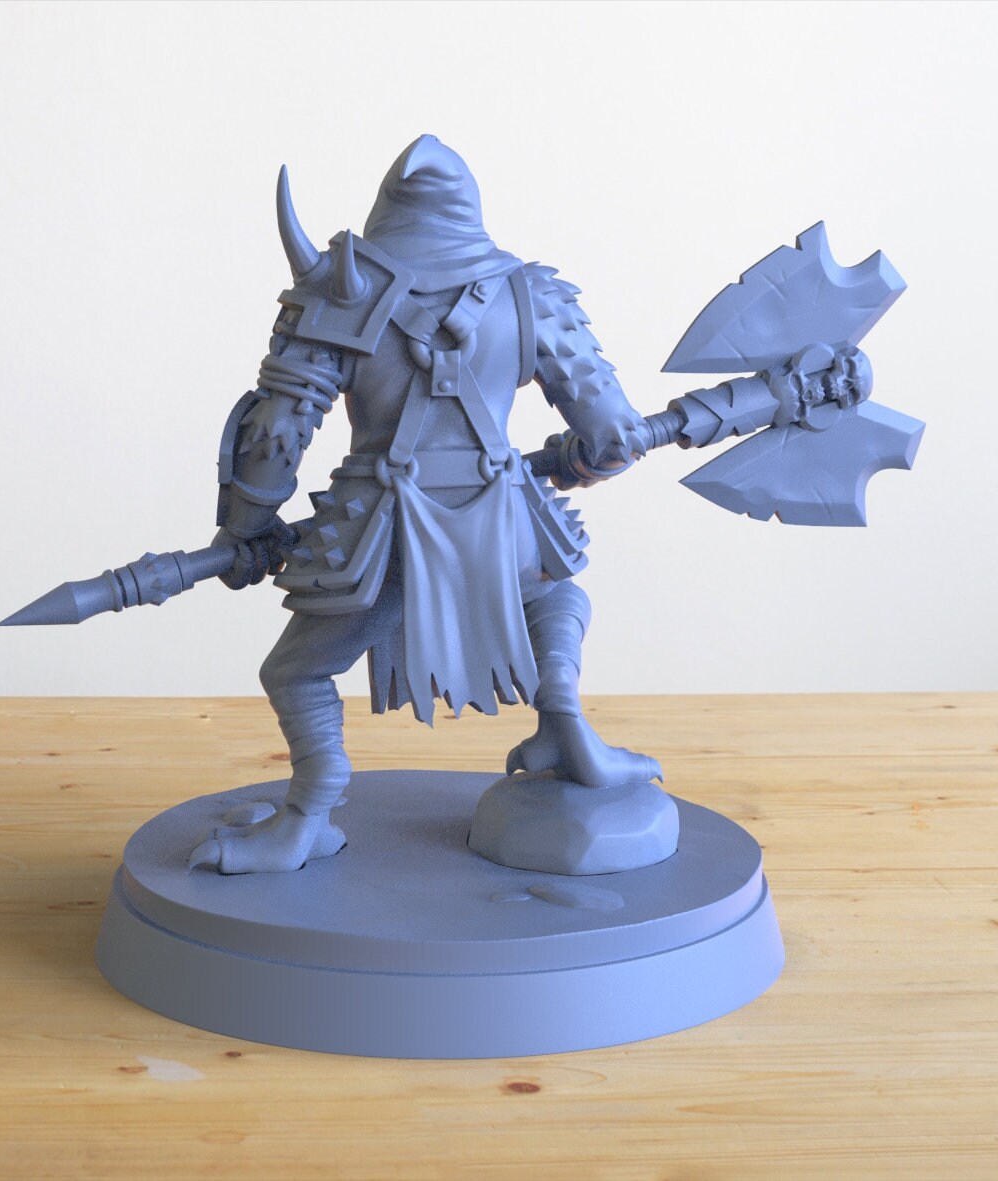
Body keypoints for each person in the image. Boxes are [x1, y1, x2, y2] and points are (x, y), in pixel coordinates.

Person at [194, 136, 662, 874]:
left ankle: (306, 815)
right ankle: (562, 708)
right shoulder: (530, 294)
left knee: (296, 673)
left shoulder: (337, 290)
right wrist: (579, 461)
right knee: (553, 596)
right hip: (506, 519)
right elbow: (611, 440)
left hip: (379, 539)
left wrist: (247, 532)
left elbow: (277, 432)